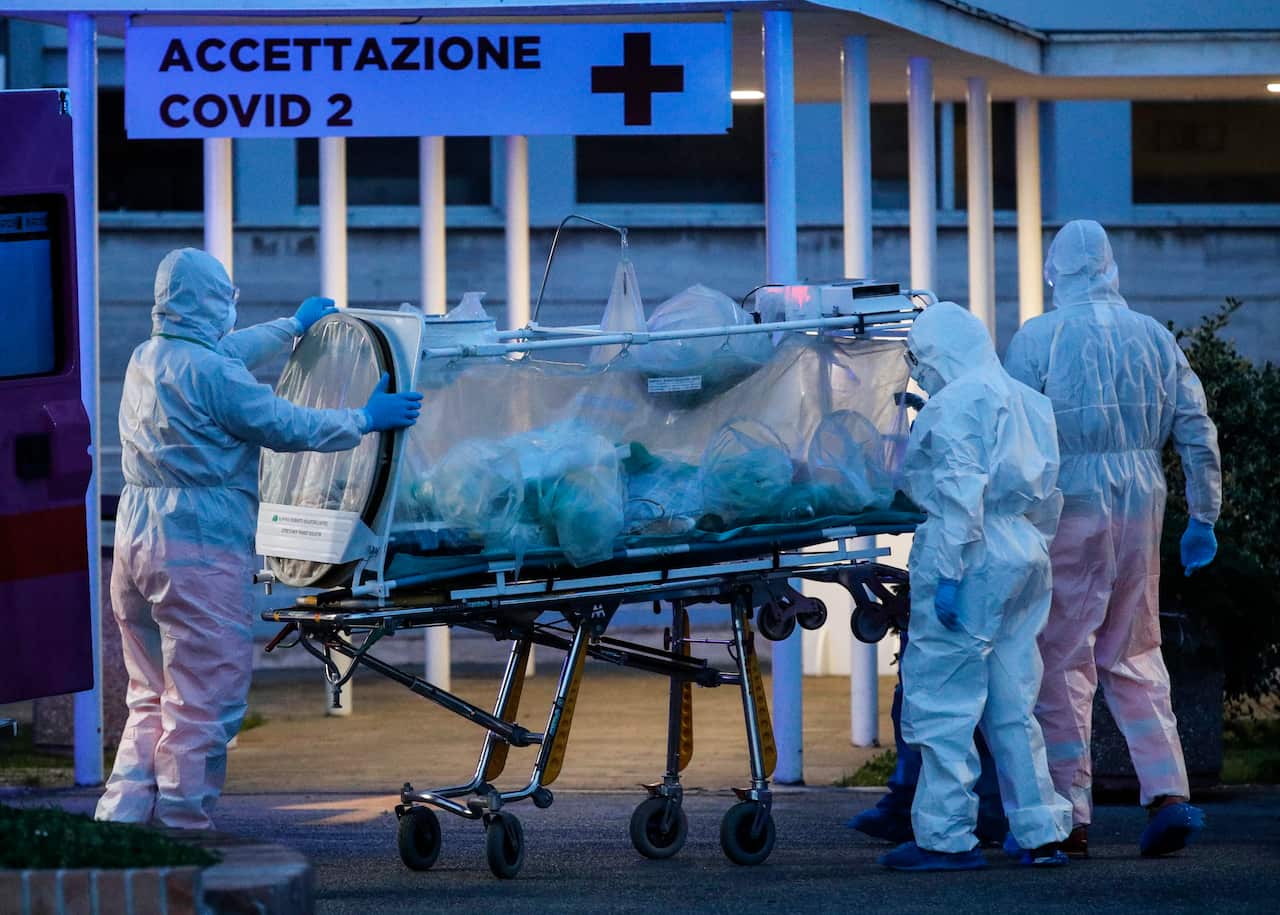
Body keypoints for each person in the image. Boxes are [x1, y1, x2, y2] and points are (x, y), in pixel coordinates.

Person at [96, 248, 423, 829]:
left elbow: (225, 353)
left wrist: (290, 327)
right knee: (203, 696)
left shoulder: (149, 357)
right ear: (210, 302)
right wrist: (364, 419)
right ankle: (182, 828)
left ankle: (121, 821)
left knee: (150, 694)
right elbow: (283, 423)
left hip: (135, 542)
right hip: (196, 548)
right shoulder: (213, 375)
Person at [1005, 220, 1221, 858]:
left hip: (1067, 500)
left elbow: (1012, 434)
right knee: (1136, 646)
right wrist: (1203, 515)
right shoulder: (1154, 336)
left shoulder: (1039, 337)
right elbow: (1196, 427)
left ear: (1055, 271)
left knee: (1062, 657)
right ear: (1109, 267)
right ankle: (1169, 794)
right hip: (1141, 497)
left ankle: (1068, 817)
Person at [881, 302, 1071, 871]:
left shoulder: (956, 403)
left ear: (941, 352)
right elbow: (1050, 494)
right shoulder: (1028, 401)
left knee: (943, 702)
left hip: (969, 556)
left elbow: (961, 492)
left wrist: (950, 574)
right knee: (1015, 702)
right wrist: (1030, 551)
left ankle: (945, 838)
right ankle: (1041, 831)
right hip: (1023, 550)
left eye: (921, 360)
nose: (920, 374)